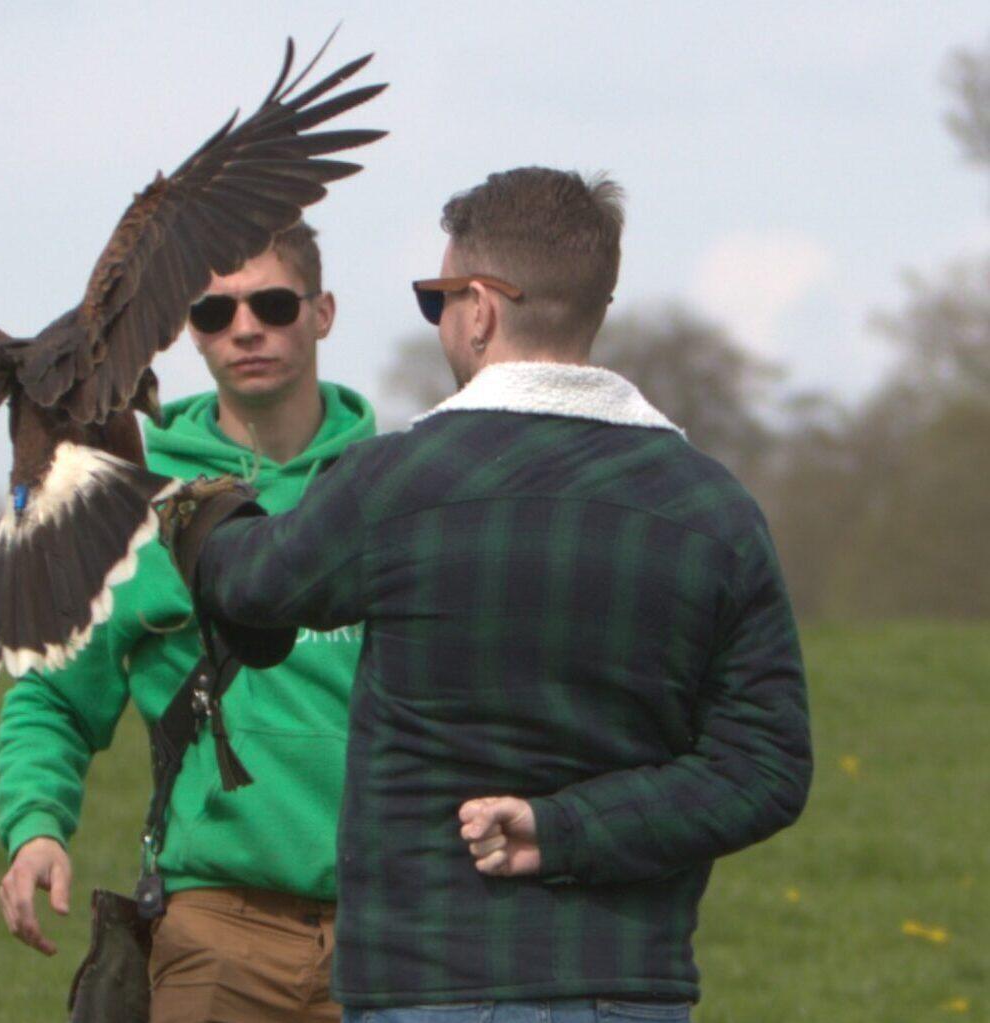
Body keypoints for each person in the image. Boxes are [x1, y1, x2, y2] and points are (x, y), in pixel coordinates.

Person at [166, 168, 813, 1022]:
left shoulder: (399, 482)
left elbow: (252, 585)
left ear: (480, 307)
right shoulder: (714, 511)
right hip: (630, 987)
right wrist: (567, 827)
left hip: (425, 982)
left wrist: (199, 505)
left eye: (439, 300)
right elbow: (766, 768)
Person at [0, 221, 375, 1023]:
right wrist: (36, 825)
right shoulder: (130, 497)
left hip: (388, 933)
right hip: (214, 930)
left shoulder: (390, 490)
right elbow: (53, 696)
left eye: (273, 303)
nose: (246, 327)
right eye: (213, 311)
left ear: (324, 312)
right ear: (186, 330)